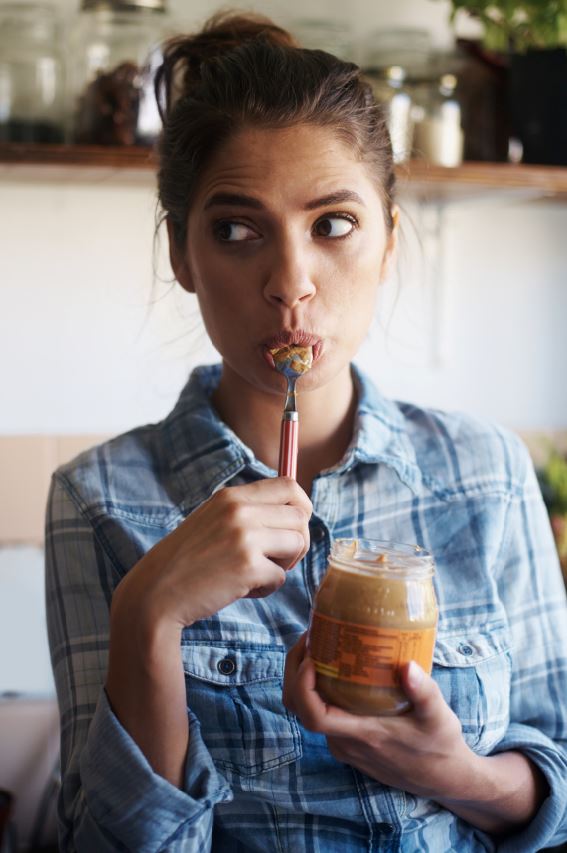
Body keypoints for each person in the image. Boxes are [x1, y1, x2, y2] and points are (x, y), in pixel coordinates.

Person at [45, 12, 567, 853]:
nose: (290, 283)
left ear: (390, 239)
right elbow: (107, 841)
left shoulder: (486, 469)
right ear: (181, 253)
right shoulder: (99, 499)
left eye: (332, 225)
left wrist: (454, 774)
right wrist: (150, 611)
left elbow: (562, 777)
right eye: (236, 230)